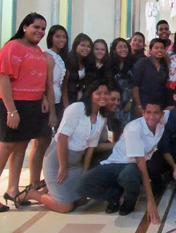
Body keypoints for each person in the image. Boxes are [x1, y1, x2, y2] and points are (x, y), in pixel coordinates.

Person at [20, 81, 108, 213]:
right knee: (65, 207)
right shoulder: (77, 108)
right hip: (57, 161)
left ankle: (50, 190)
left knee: (82, 200)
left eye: (106, 93)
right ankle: (33, 194)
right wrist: (62, 166)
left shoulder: (102, 117)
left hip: (76, 164)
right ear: (90, 94)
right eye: (98, 93)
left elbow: (91, 147)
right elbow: (62, 138)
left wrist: (85, 170)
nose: (103, 96)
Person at [76, 100, 167, 222]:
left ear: (162, 115)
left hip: (133, 166)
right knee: (82, 185)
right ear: (143, 113)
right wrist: (150, 201)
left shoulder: (163, 121)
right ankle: (115, 196)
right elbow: (141, 164)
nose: (152, 116)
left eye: (156, 113)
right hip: (116, 162)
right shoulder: (134, 128)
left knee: (128, 175)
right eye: (148, 112)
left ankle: (129, 201)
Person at [0, 13, 49, 212]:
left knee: (21, 146)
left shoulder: (37, 50)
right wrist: (11, 110)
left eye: (43, 29)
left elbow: (37, 78)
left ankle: (12, 190)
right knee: (6, 147)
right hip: (14, 103)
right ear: (25, 27)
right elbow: (4, 78)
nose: (40, 31)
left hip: (32, 104)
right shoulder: (12, 47)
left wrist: (44, 97)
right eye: (36, 27)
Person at [31, 25, 68, 191]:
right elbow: (47, 85)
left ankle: (42, 178)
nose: (61, 40)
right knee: (41, 143)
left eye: (64, 37)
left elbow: (61, 85)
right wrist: (52, 112)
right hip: (47, 105)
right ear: (51, 38)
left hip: (58, 102)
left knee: (47, 143)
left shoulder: (59, 57)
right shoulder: (48, 56)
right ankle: (34, 182)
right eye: (58, 36)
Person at [109, 38, 138, 135]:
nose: (123, 49)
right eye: (120, 47)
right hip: (115, 101)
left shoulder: (133, 63)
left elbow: (135, 84)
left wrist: (130, 101)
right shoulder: (110, 64)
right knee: (116, 131)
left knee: (128, 131)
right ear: (114, 49)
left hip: (129, 102)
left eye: (125, 47)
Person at [133, 38, 169, 111]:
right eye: (156, 48)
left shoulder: (165, 65)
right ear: (150, 51)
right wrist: (139, 105)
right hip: (143, 104)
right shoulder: (143, 62)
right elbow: (134, 85)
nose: (159, 50)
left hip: (159, 106)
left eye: (162, 48)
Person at [63, 33, 95, 106]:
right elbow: (64, 86)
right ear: (76, 46)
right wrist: (66, 105)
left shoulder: (86, 63)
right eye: (82, 45)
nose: (86, 48)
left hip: (78, 100)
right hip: (67, 99)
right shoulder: (68, 61)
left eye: (88, 46)